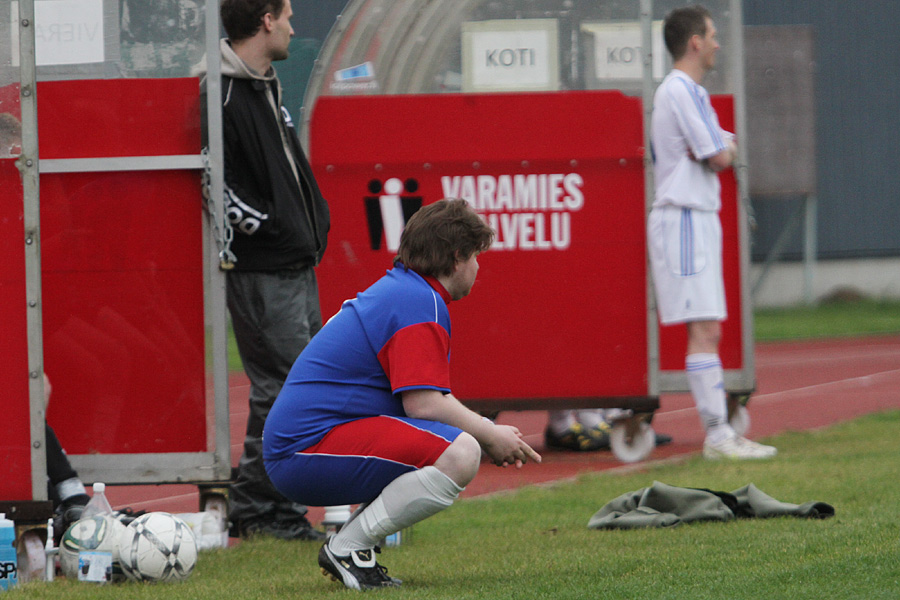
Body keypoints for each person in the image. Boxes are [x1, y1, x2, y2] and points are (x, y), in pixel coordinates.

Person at [263, 199, 541, 590]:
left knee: (446, 443)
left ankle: (354, 551)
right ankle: (347, 549)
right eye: (476, 256)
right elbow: (423, 403)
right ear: (458, 256)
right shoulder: (417, 299)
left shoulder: (406, 291)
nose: (479, 267)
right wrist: (489, 433)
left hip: (306, 444)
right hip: (305, 449)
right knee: (461, 453)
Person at [215, 0, 330, 539]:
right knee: (286, 388)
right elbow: (219, 188)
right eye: (286, 14)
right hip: (265, 268)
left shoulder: (261, 86)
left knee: (299, 386)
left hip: (294, 263)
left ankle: (275, 507)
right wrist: (276, 228)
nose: (292, 25)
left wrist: (307, 226)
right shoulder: (226, 92)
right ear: (264, 19)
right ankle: (260, 508)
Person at [648, 5, 775, 460]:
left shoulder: (692, 92)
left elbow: (723, 144)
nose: (718, 43)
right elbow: (719, 153)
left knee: (710, 329)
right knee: (704, 329)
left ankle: (721, 433)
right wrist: (725, 146)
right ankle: (718, 436)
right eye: (712, 35)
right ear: (694, 42)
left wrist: (725, 144)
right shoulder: (679, 90)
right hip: (683, 216)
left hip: (696, 216)